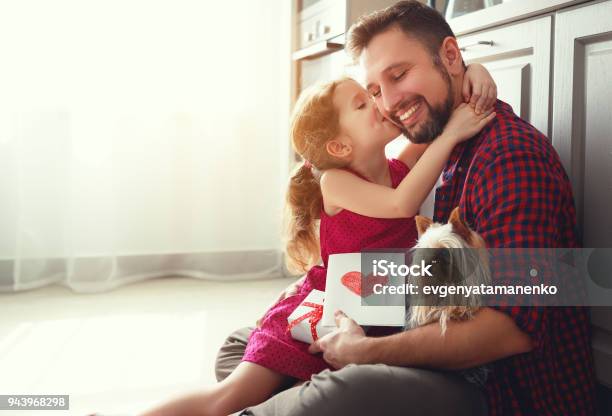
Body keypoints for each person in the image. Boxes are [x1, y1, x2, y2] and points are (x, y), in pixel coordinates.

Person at [214, 1, 598, 416]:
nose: (388, 103)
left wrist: (367, 351)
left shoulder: (510, 159)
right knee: (244, 344)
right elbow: (430, 271)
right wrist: (330, 289)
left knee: (338, 388)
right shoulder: (444, 143)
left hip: (497, 390)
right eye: (374, 91)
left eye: (398, 75)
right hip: (425, 326)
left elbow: (511, 331)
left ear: (450, 56)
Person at [136, 63, 496, 416]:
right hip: (323, 312)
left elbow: (437, 116)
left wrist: (472, 72)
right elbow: (402, 204)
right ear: (339, 147)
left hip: (368, 317)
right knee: (227, 399)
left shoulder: (399, 166)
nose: (380, 102)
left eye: (372, 95)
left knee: (303, 398)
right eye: (363, 103)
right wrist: (449, 138)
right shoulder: (336, 182)